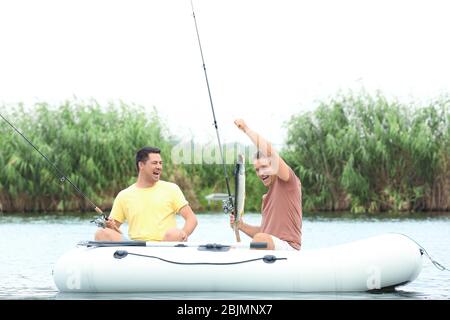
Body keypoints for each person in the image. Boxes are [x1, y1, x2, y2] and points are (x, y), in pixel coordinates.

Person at [95, 146, 198, 242]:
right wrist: (109, 226)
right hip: (135, 248)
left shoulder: (171, 189)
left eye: (160, 163)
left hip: (166, 246)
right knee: (101, 233)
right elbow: (114, 229)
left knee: (174, 233)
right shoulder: (124, 195)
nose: (159, 167)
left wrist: (183, 233)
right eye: (154, 163)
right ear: (141, 165)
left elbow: (192, 219)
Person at [231, 119, 302, 250]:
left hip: (290, 249)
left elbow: (269, 151)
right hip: (271, 249)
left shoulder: (289, 181)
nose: (260, 173)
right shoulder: (265, 198)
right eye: (257, 169)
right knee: (235, 247)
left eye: (264, 167)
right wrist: (241, 225)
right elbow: (264, 232)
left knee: (260, 239)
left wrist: (246, 129)